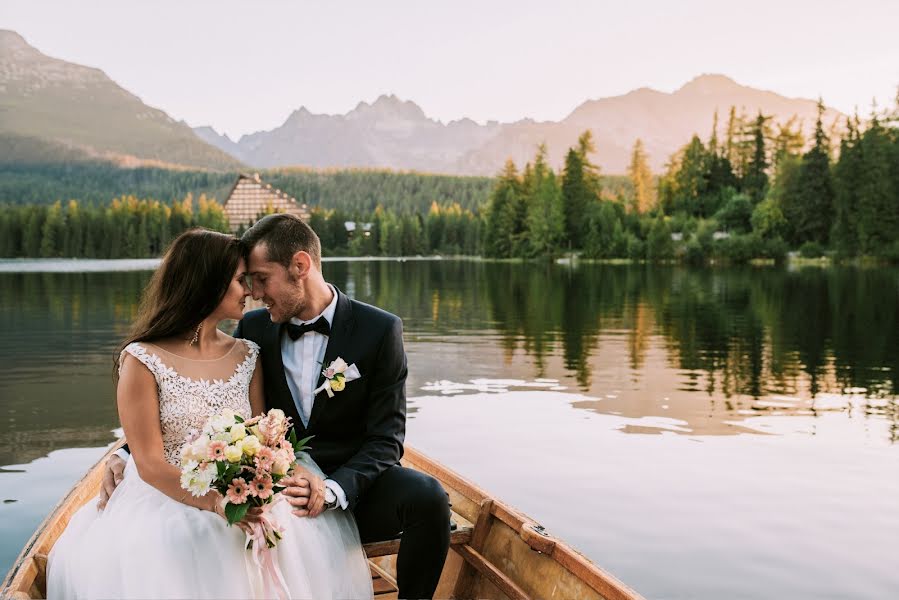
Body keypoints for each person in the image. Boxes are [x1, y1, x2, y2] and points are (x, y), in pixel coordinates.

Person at [47, 229, 373, 599]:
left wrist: (290, 470)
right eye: (239, 280)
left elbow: (265, 434)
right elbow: (151, 464)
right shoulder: (142, 359)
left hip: (239, 485)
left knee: (288, 523)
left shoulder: (247, 354)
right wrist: (217, 503)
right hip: (166, 492)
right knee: (201, 534)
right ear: (208, 283)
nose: (250, 290)